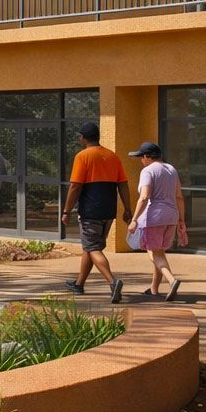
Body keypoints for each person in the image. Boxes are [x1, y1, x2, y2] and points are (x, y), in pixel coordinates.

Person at [61, 122, 131, 303]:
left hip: (90, 211)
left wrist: (66, 210)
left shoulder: (83, 156)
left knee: (93, 248)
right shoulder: (112, 156)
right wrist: (127, 209)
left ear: (83, 138)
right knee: (90, 248)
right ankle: (79, 283)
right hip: (108, 211)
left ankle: (113, 282)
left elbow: (75, 185)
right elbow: (122, 184)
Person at [128, 141, 185, 301]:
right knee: (159, 252)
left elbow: (145, 196)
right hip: (171, 216)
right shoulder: (171, 170)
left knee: (153, 253)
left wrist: (134, 219)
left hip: (154, 217)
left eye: (141, 157)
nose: (141, 160)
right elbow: (179, 196)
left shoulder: (148, 171)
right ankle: (154, 288)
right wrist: (182, 219)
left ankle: (172, 280)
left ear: (147, 156)